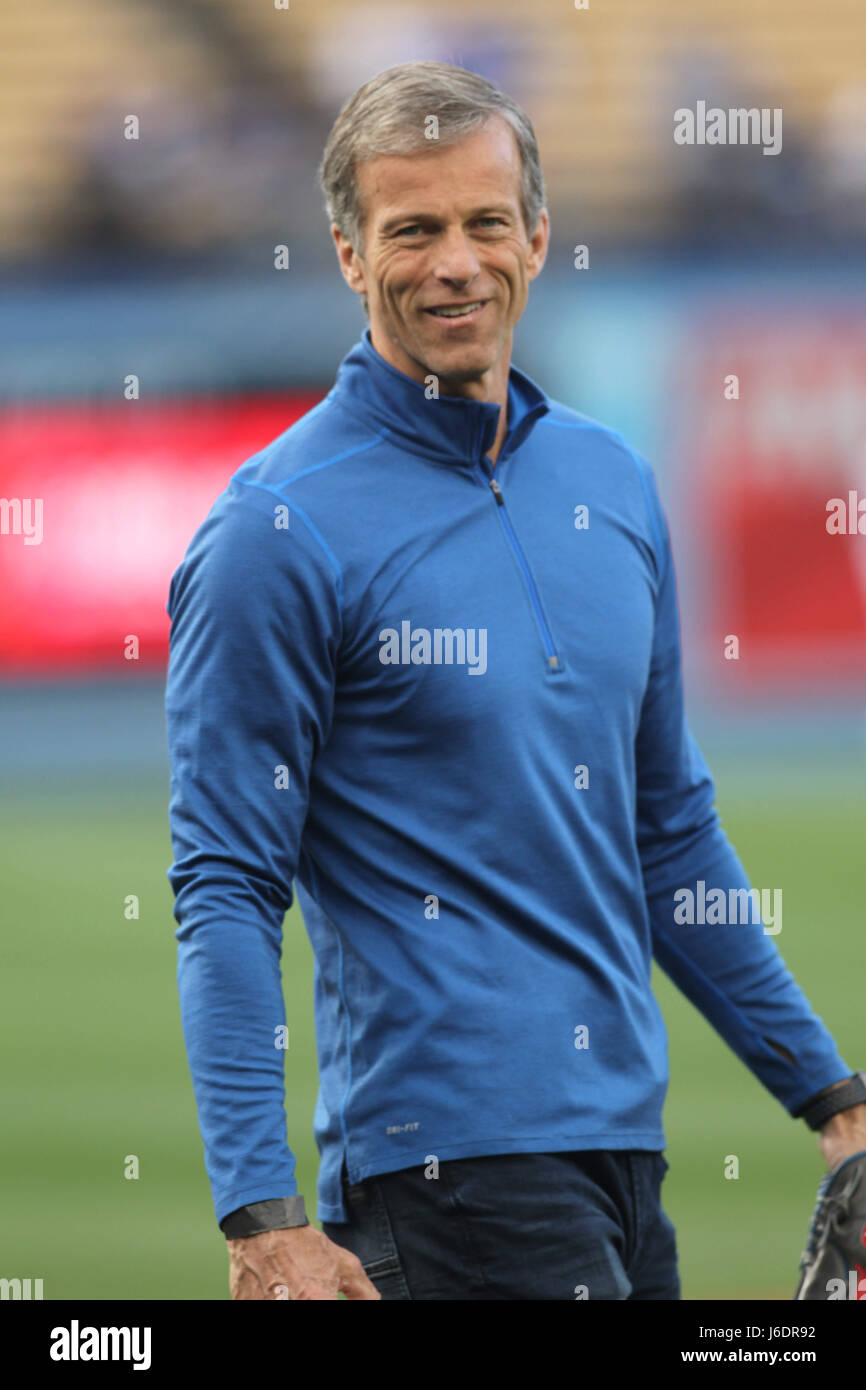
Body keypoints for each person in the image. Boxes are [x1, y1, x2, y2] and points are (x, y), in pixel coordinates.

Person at [165, 60, 866, 1301]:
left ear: (537, 237)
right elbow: (225, 882)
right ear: (344, 252)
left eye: (485, 222)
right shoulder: (272, 531)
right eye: (412, 228)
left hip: (621, 1163)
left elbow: (670, 833)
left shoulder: (611, 481)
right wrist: (258, 1212)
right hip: (443, 1182)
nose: (455, 262)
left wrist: (831, 1097)